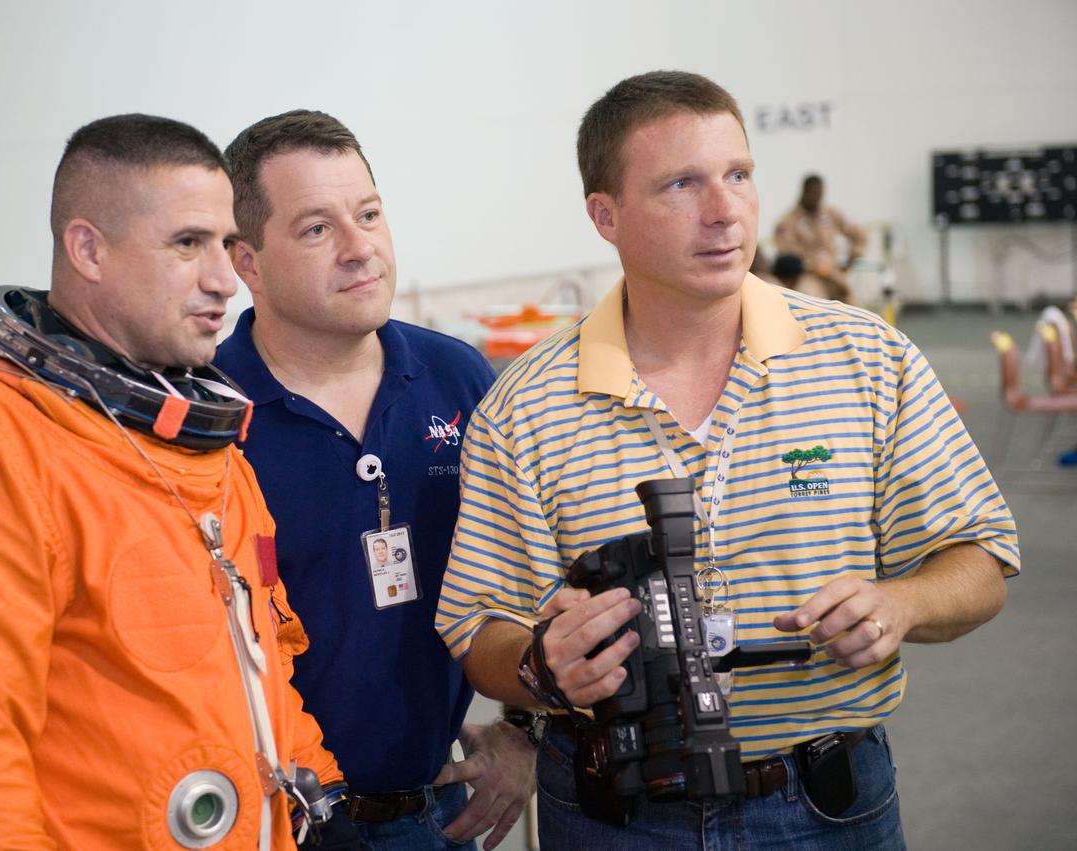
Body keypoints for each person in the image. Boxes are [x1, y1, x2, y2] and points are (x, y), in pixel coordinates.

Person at [436, 71, 1018, 849]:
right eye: (682, 184)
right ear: (605, 215)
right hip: (614, 812)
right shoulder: (526, 406)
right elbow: (481, 631)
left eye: (738, 175)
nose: (725, 212)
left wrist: (902, 603)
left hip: (828, 804)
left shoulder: (870, 359)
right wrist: (544, 667)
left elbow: (981, 557)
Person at [0, 114, 363, 850]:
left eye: (223, 243)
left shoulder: (203, 447)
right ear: (87, 248)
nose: (223, 279)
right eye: (187, 244)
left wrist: (318, 784)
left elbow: (261, 663)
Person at [216, 109, 535, 850]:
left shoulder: (456, 376)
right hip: (275, 823)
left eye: (369, 214)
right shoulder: (205, 416)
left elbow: (534, 571)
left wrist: (523, 729)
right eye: (317, 229)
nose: (362, 249)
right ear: (247, 262)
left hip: (437, 814)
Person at [774, 173, 865, 302]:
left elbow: (858, 234)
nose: (816, 198)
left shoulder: (831, 213)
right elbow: (788, 254)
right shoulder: (788, 221)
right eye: (812, 193)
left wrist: (852, 258)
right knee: (812, 301)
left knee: (854, 309)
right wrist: (814, 265)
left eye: (819, 194)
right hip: (809, 277)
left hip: (835, 276)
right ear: (804, 192)